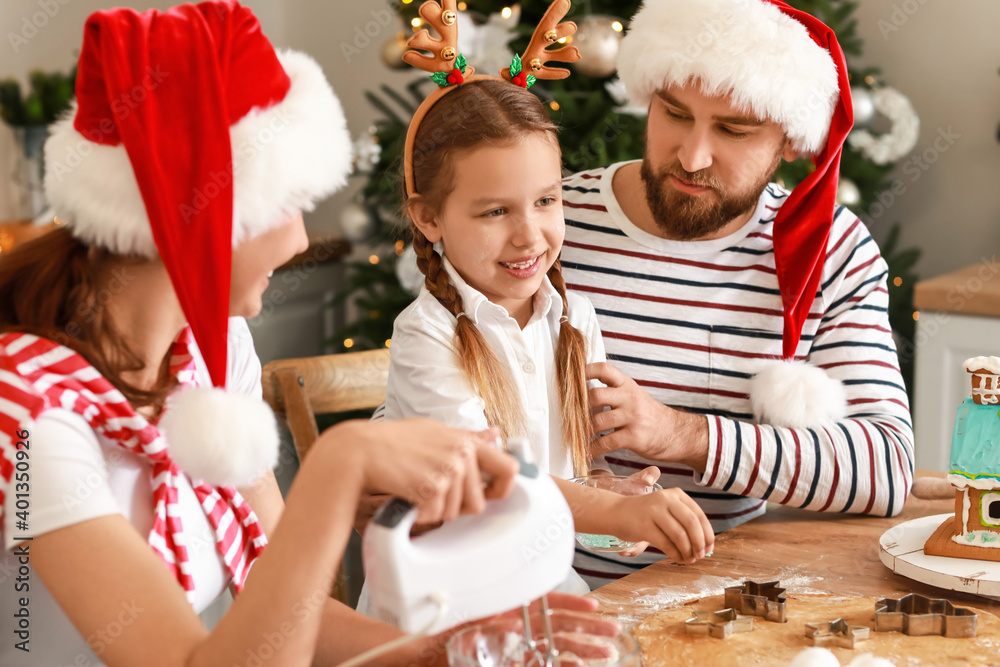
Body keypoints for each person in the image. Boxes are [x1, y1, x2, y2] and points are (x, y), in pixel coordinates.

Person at [0, 3, 613, 666]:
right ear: (197, 216)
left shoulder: (214, 348)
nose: (298, 238)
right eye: (283, 203)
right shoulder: (33, 410)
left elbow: (289, 609)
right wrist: (338, 467)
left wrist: (456, 651)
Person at [560, 0, 915, 588]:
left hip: (717, 613)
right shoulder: (547, 221)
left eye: (734, 130)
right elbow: (421, 395)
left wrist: (683, 436)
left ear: (791, 142)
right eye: (674, 113)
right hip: (532, 596)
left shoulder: (829, 252)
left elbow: (883, 467)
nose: (692, 156)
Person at [373, 0, 714, 601]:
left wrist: (615, 506)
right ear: (429, 218)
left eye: (546, 202)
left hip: (546, 590)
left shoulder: (574, 320)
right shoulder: (427, 336)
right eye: (496, 211)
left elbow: (577, 480)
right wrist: (609, 514)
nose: (530, 235)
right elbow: (487, 488)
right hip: (444, 608)